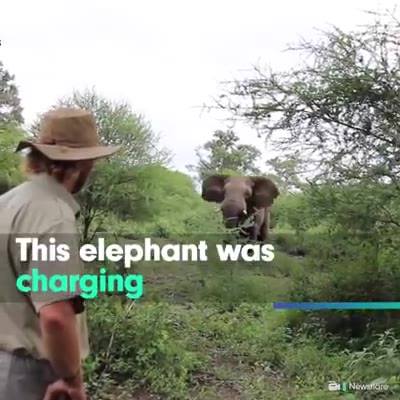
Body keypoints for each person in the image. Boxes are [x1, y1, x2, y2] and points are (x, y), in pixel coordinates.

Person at [0, 108, 120, 400]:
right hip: (29, 376)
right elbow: (55, 315)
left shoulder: (8, 202)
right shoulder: (53, 215)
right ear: (84, 162)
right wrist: (71, 379)